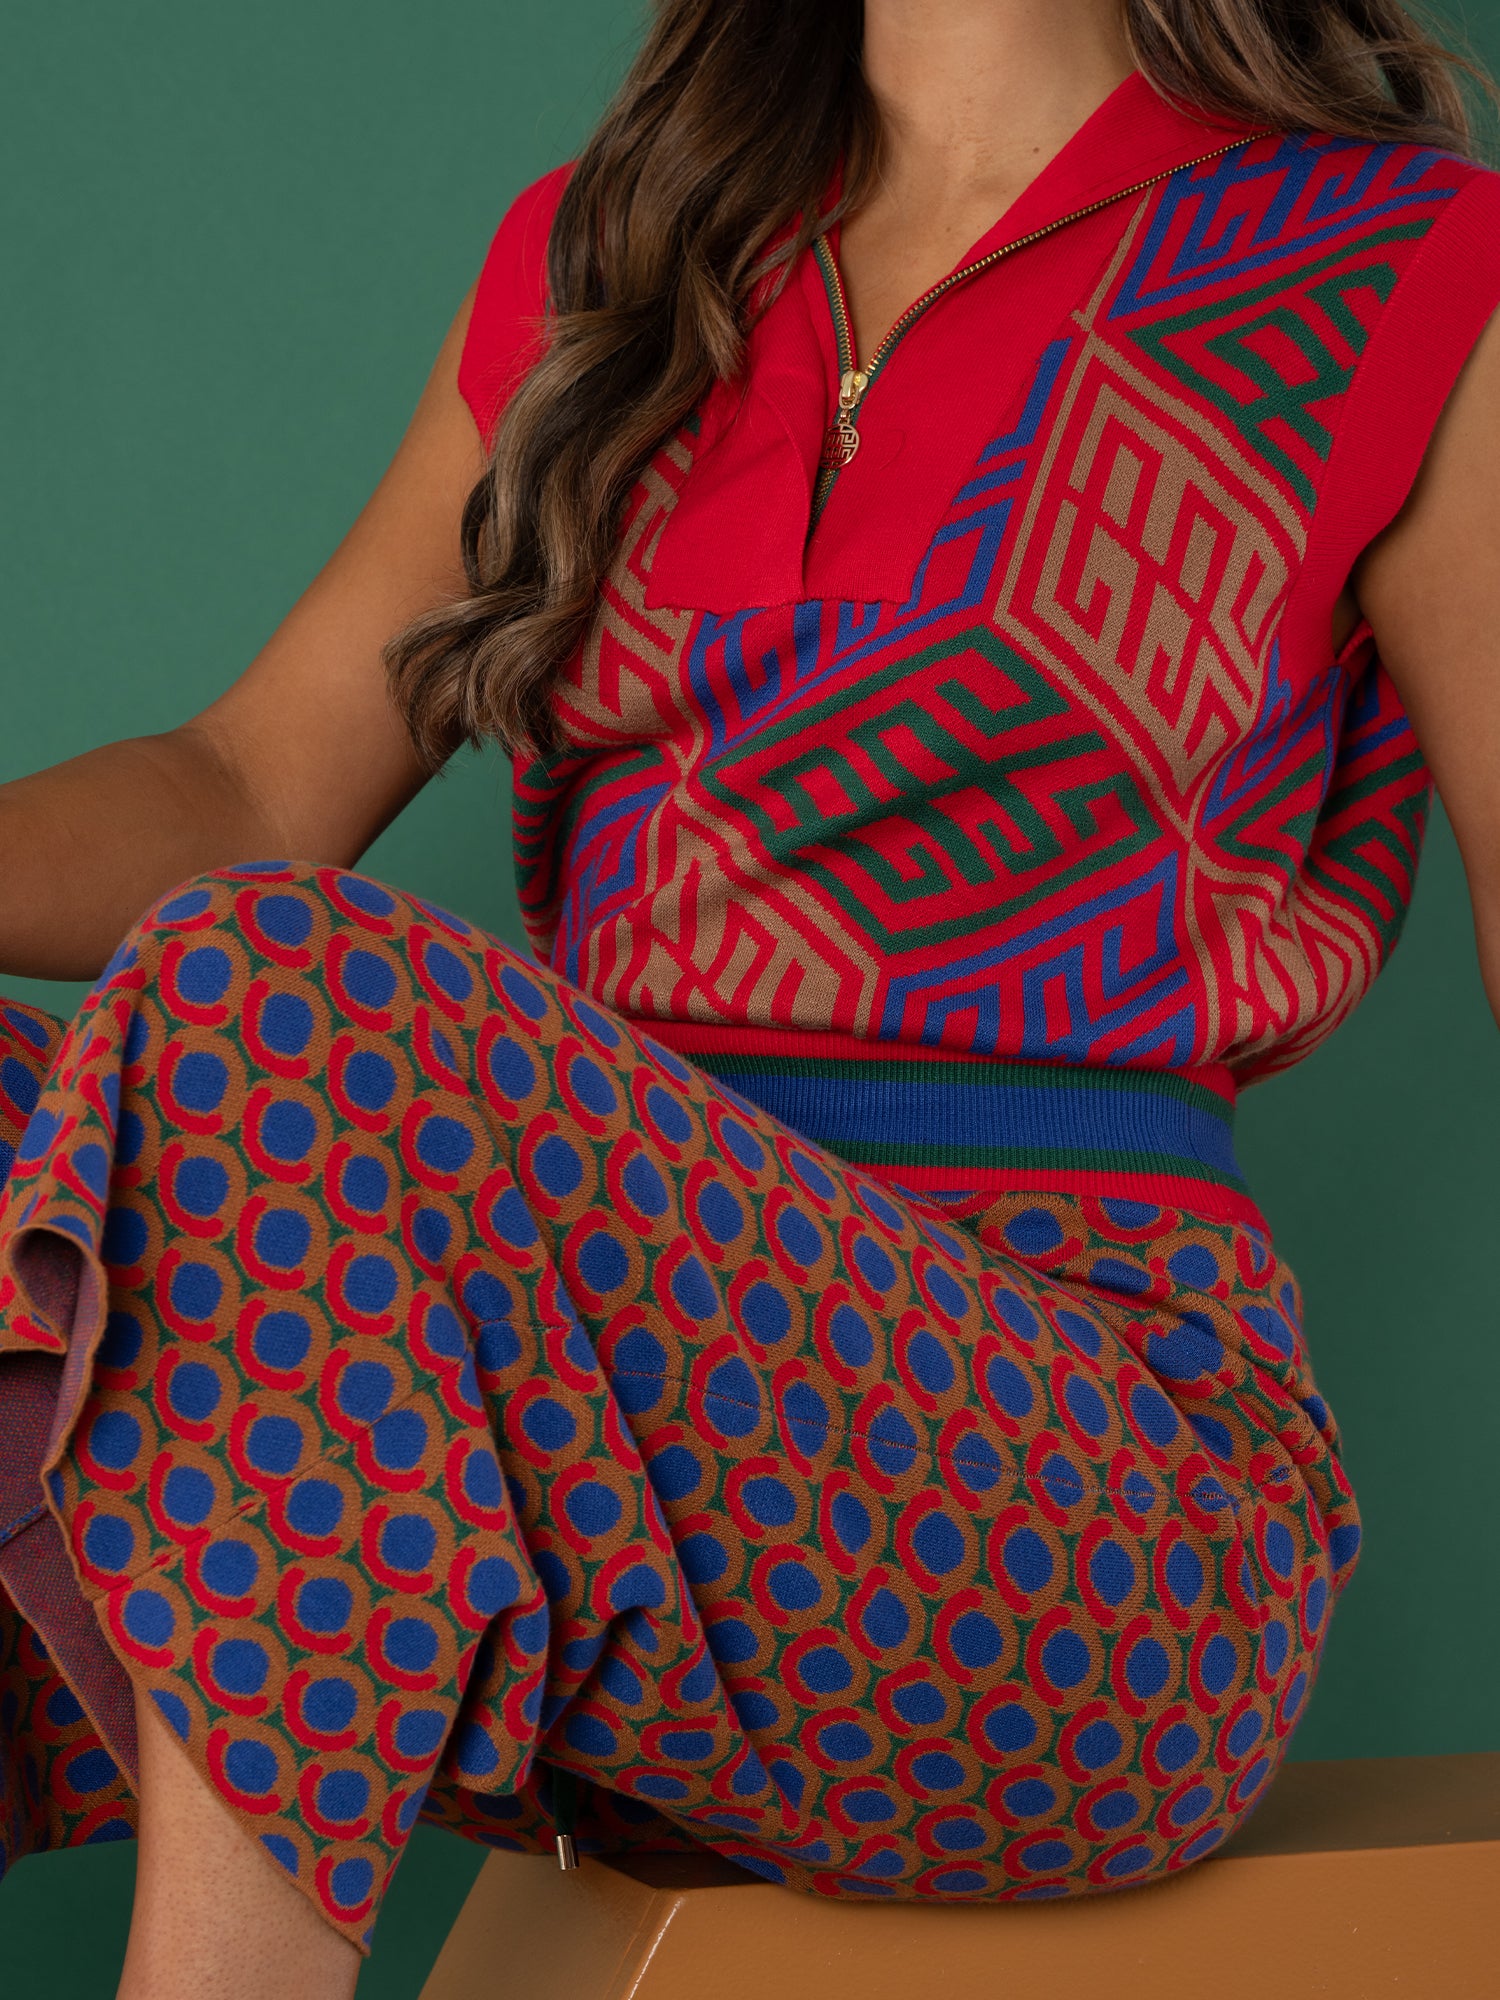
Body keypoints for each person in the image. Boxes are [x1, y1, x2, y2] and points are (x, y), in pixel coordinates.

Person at [3, 0, 1498, 1993]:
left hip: (1093, 1515)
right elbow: (252, 786)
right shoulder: (606, 253)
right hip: (581, 1501)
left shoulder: (1409, 258)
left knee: (269, 991)